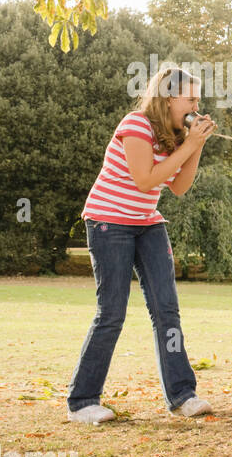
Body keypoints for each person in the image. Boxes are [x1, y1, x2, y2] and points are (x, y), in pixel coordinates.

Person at [66, 65, 218, 424]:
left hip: (147, 224)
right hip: (109, 223)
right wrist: (191, 144)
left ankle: (183, 395)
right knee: (112, 314)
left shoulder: (178, 136)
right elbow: (144, 179)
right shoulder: (135, 124)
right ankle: (82, 401)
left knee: (167, 310)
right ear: (168, 98)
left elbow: (178, 188)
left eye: (198, 99)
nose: (197, 105)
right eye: (191, 98)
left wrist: (195, 146)